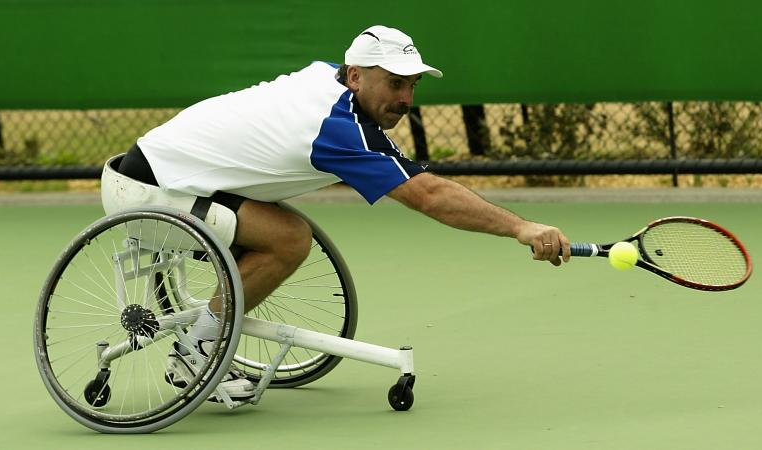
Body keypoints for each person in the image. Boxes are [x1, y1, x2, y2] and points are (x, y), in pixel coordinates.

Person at [101, 25, 571, 402]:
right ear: (355, 77)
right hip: (145, 193)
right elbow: (429, 196)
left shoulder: (330, 79)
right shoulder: (337, 128)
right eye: (395, 83)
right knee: (288, 240)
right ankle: (195, 349)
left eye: (412, 85)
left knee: (283, 230)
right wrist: (521, 227)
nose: (406, 99)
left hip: (169, 172)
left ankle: (212, 322)